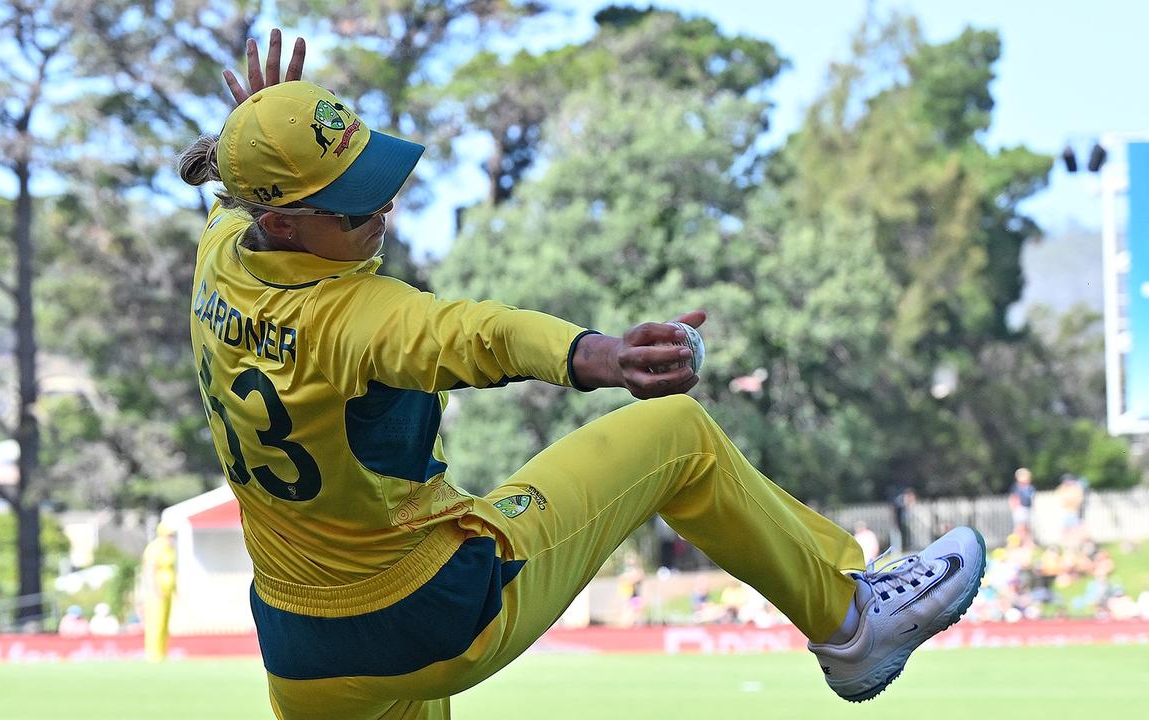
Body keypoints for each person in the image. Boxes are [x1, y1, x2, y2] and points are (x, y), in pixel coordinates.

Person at [177, 29, 987, 719]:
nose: (384, 212)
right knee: (677, 436)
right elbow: (478, 335)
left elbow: (231, 195)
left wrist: (263, 132)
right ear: (281, 221)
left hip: (303, 661)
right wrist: (597, 354)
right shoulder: (359, 315)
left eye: (380, 185)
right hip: (430, 617)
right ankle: (852, 625)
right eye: (356, 207)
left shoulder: (219, 256)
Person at [141, 522, 177, 662]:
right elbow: (150, 570)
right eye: (169, 535)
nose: (171, 538)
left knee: (165, 623)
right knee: (155, 622)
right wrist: (155, 589)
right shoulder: (155, 548)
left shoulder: (170, 548)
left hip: (167, 590)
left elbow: (172, 569)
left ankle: (162, 652)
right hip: (156, 591)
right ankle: (153, 654)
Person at [1009, 467, 1036, 541]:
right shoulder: (1016, 487)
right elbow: (1013, 499)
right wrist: (1015, 509)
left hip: (1027, 509)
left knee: (1027, 528)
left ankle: (1027, 543)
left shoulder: (1030, 488)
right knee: (1020, 527)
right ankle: (1015, 543)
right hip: (1020, 509)